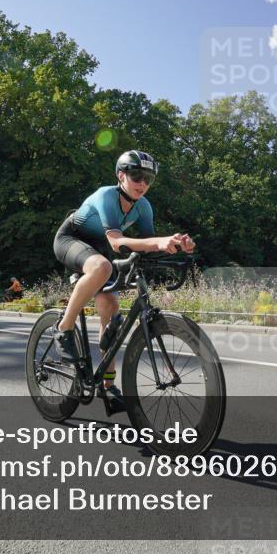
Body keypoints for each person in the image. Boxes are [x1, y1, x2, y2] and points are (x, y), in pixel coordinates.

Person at [52, 150, 194, 412]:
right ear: (121, 175)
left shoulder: (143, 206)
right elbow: (117, 242)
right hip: (73, 239)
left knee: (110, 310)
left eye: (148, 179)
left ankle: (107, 386)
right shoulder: (107, 195)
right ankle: (63, 328)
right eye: (137, 175)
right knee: (102, 266)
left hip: (101, 248)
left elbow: (148, 246)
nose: (143, 183)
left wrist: (175, 243)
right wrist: (158, 242)